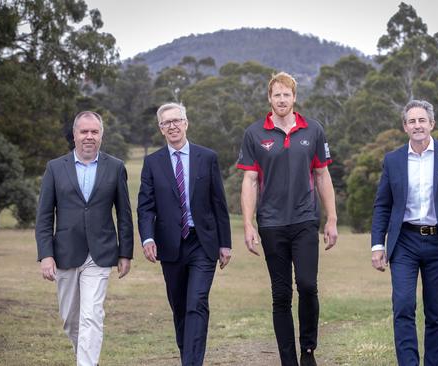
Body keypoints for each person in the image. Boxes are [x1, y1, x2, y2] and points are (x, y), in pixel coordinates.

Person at [237, 72, 338, 366]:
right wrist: (247, 224)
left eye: (287, 94)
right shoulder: (255, 133)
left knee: (307, 285)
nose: (282, 99)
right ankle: (288, 360)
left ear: (295, 97)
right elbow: (250, 180)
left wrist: (331, 218)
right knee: (280, 294)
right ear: (269, 98)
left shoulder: (313, 130)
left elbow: (322, 175)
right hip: (271, 224)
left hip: (305, 220)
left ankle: (308, 351)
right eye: (277, 94)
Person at [370, 100, 438, 366]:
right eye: (412, 121)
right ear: (405, 127)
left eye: (422, 120)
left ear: (432, 124)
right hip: (405, 241)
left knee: (437, 313)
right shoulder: (393, 160)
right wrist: (377, 245)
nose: (417, 125)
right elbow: (382, 204)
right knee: (403, 306)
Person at [35, 111, 134, 366]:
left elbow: (124, 213)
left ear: (101, 135)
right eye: (84, 131)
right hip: (65, 253)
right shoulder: (55, 168)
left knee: (92, 316)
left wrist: (125, 253)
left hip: (100, 254)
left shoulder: (115, 167)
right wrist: (46, 255)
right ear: (75, 134)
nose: (89, 136)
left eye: (94, 132)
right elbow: (44, 216)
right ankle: (87, 358)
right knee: (71, 319)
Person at [137, 102, 232, 366]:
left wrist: (225, 243)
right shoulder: (152, 163)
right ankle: (187, 357)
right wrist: (147, 237)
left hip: (203, 243)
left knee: (196, 303)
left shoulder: (207, 157)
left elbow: (219, 204)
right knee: (180, 308)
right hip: (170, 245)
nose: (173, 126)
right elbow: (145, 206)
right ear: (161, 129)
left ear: (186, 123)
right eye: (167, 123)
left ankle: (192, 363)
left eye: (177, 120)